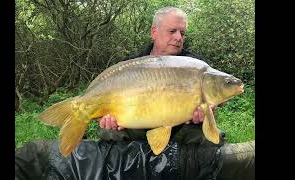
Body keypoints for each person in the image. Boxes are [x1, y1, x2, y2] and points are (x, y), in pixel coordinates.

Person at [15, 6, 254, 180]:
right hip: (135, 134)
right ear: (154, 32)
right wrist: (106, 120)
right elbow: (110, 110)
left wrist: (207, 111)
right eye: (172, 31)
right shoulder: (131, 64)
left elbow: (215, 100)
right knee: (107, 132)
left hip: (177, 137)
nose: (179, 38)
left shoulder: (195, 65)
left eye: (182, 33)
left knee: (208, 142)